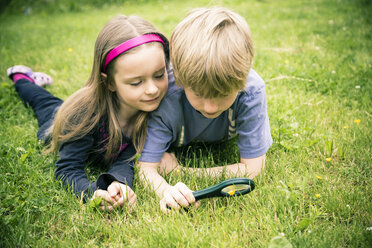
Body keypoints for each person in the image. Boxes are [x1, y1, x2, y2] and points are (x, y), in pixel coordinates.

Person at [7, 15, 169, 211]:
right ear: (109, 82)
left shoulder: (151, 109)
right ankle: (22, 77)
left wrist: (118, 184)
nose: (153, 89)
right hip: (58, 123)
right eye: (136, 82)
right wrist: (92, 193)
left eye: (159, 75)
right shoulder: (84, 117)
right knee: (44, 102)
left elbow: (125, 158)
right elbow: (68, 170)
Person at [137, 7, 273, 212]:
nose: (210, 108)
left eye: (222, 94)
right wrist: (166, 191)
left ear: (242, 81)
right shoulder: (167, 95)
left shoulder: (251, 91)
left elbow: (253, 169)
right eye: (198, 94)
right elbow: (146, 167)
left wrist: (183, 172)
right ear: (182, 79)